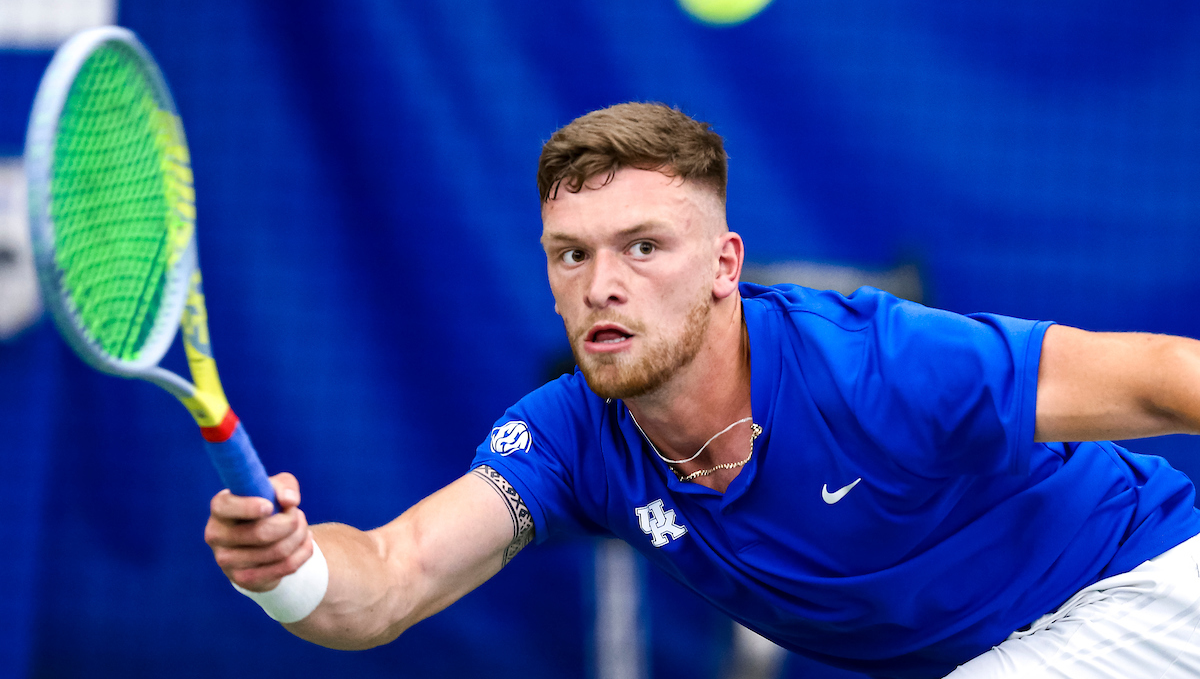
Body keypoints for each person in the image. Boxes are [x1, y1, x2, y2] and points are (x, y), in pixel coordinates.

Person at [206, 102, 1200, 678]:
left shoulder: (875, 362)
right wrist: (290, 566)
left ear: (725, 264)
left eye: (643, 247)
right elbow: (391, 577)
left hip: (1146, 587)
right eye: (570, 254)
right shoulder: (567, 439)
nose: (602, 284)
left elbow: (1161, 378)